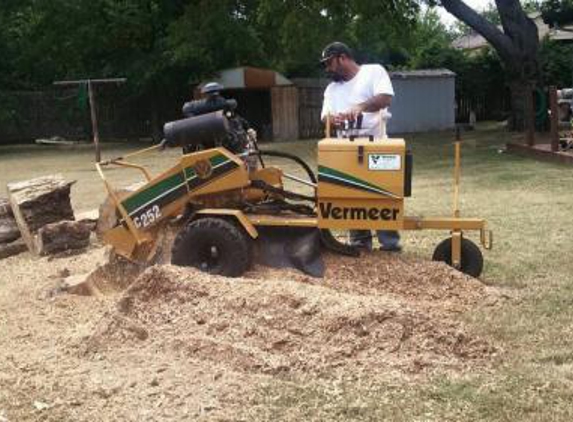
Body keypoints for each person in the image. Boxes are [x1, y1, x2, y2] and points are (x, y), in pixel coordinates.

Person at [320, 41, 401, 252]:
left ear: (343, 57)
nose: (328, 69)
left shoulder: (373, 72)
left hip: (377, 145)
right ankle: (359, 243)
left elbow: (385, 98)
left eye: (329, 63)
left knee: (382, 195)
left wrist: (360, 107)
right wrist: (333, 119)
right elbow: (325, 117)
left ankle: (390, 246)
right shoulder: (332, 89)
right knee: (351, 195)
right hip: (345, 150)